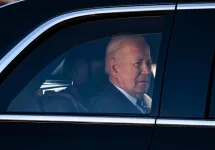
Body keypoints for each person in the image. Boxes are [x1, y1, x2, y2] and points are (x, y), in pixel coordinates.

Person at [90, 34, 152, 114]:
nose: (147, 71)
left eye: (149, 63)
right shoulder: (107, 111)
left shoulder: (145, 101)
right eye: (138, 63)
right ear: (114, 68)